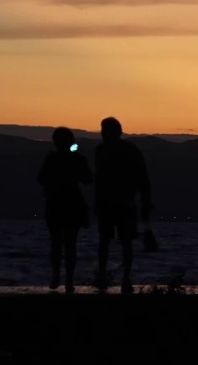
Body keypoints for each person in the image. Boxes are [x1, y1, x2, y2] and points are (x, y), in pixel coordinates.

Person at [94, 117, 153, 294]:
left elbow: (100, 180)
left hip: (113, 203)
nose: (103, 133)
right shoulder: (128, 149)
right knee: (124, 243)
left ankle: (105, 278)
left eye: (104, 130)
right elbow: (142, 177)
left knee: (106, 242)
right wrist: (145, 201)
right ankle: (123, 279)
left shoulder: (102, 150)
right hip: (124, 203)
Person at [37, 127, 92, 293]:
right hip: (73, 203)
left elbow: (41, 178)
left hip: (54, 202)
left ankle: (56, 276)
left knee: (56, 242)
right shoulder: (78, 158)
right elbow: (88, 179)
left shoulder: (51, 158)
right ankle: (69, 280)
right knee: (70, 244)